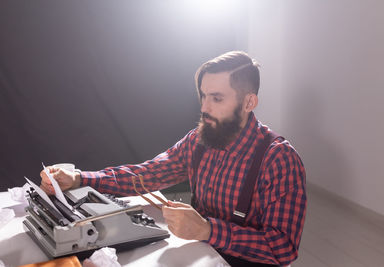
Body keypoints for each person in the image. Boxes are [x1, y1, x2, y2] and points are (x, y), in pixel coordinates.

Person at [40, 51, 306, 267]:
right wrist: (79, 178)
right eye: (203, 95)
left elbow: (282, 249)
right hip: (201, 255)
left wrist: (207, 230)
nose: (204, 108)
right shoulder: (200, 140)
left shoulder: (279, 160)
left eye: (217, 98)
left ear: (249, 103)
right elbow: (146, 174)